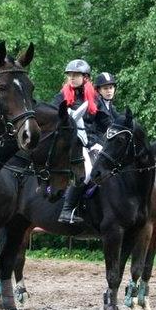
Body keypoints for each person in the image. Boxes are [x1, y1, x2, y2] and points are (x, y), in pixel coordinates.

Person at [52, 59, 112, 224]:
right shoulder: (62, 96)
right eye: (70, 74)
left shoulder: (94, 97)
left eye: (76, 75)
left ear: (85, 77)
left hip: (92, 143)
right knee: (86, 173)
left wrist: (103, 140)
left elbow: (106, 123)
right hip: (71, 144)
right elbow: (52, 117)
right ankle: (66, 210)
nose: (72, 77)